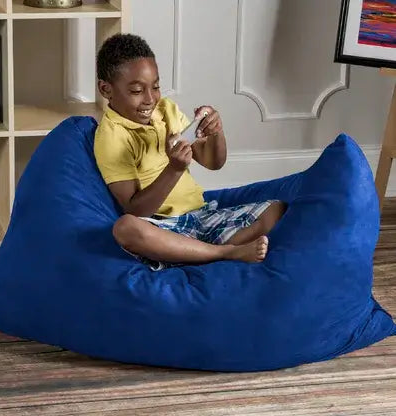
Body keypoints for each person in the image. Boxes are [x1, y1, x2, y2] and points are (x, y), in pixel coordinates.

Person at [94, 33, 286, 271]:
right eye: (136, 91)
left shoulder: (165, 110)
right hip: (164, 227)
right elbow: (135, 210)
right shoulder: (111, 137)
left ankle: (199, 254)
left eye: (155, 87)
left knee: (276, 209)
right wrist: (174, 169)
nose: (150, 99)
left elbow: (213, 162)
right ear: (106, 89)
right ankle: (226, 252)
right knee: (126, 228)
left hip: (202, 217)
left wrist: (215, 132)